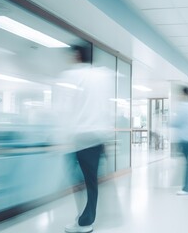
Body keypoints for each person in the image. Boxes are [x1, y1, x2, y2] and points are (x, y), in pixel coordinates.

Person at [54, 43, 114, 233]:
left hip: (78, 138)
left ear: (77, 56)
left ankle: (84, 222)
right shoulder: (102, 76)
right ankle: (85, 218)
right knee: (91, 182)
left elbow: (63, 109)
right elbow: (106, 107)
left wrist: (60, 137)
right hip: (96, 137)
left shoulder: (71, 75)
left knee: (77, 180)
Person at [171, 86, 188, 195]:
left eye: (180, 94)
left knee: (187, 165)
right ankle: (187, 186)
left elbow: (178, 122)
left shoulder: (184, 107)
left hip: (185, 139)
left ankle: (187, 188)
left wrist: (168, 123)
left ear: (185, 95)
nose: (179, 96)